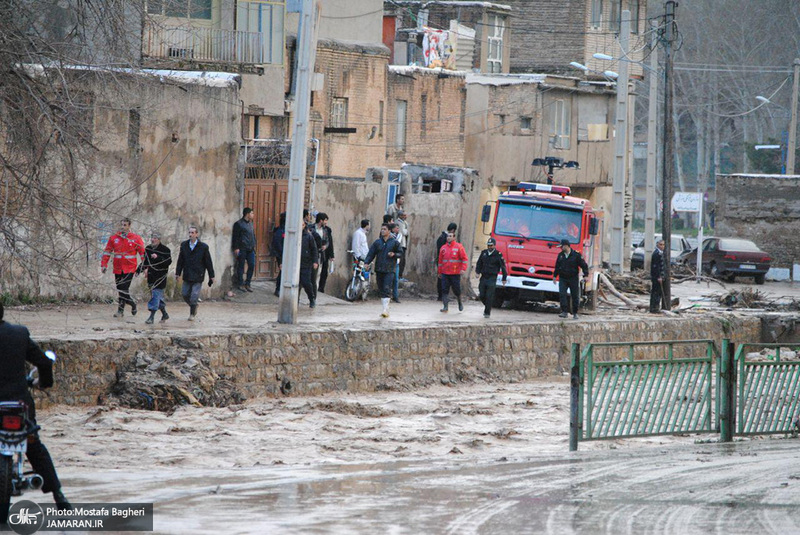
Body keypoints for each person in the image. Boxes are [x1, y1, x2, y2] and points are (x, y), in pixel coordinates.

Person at [0, 303, 70, 510]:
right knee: (34, 445)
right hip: (20, 402)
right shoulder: (19, 334)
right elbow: (44, 363)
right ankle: (59, 496)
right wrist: (45, 383)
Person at [101, 217, 145, 318]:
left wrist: (144, 267)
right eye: (121, 225)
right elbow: (107, 251)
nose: (122, 227)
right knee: (119, 288)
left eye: (125, 225)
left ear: (129, 226)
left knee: (124, 289)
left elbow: (143, 253)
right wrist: (104, 264)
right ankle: (131, 304)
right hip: (117, 267)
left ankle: (121, 310)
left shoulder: (135, 238)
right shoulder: (114, 238)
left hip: (129, 268)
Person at [175, 226, 215, 321]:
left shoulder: (203, 247)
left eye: (193, 233)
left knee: (194, 295)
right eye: (189, 232)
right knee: (185, 294)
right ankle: (194, 306)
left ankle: (192, 314)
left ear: (197, 234)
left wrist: (211, 275)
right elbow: (180, 260)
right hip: (187, 273)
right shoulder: (184, 245)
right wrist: (178, 272)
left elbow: (208, 262)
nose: (190, 234)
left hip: (198, 274)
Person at [364, 223, 403, 318]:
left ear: (389, 231)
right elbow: (371, 253)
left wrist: (394, 254)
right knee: (381, 288)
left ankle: (385, 310)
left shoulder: (394, 242)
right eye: (382, 229)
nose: (382, 231)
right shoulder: (378, 242)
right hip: (379, 269)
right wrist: (366, 263)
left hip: (390, 269)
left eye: (384, 229)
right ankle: (385, 307)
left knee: (386, 288)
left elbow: (400, 253)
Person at [137, 232, 172, 324]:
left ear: (159, 239)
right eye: (152, 238)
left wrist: (158, 257)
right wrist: (139, 270)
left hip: (160, 277)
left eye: (155, 238)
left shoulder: (165, 250)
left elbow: (168, 262)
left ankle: (151, 317)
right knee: (157, 297)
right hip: (151, 276)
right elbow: (146, 261)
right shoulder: (148, 248)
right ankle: (164, 314)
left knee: (155, 296)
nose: (153, 240)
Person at [554, 239, 589, 319]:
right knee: (562, 294)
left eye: (562, 246)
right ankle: (564, 311)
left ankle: (575, 313)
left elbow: (583, 265)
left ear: (566, 246)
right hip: (563, 278)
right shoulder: (560, 255)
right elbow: (557, 266)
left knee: (575, 295)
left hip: (573, 278)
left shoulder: (576, 255)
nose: (561, 248)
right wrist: (555, 276)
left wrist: (586, 275)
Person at [475, 237, 508, 318]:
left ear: (494, 246)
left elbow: (503, 267)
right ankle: (488, 305)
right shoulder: (484, 253)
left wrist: (504, 278)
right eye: (488, 245)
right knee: (482, 294)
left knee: (489, 295)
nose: (489, 247)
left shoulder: (498, 255)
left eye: (491, 245)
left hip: (492, 278)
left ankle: (487, 312)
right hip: (484, 276)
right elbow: (479, 263)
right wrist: (477, 272)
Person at [437, 230, 468, 313]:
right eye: (448, 236)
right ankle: (445, 307)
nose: (448, 238)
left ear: (454, 237)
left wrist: (463, 269)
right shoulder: (443, 248)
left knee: (456, 290)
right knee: (444, 289)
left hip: (455, 273)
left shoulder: (459, 247)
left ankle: (460, 302)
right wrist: (439, 272)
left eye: (450, 236)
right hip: (445, 273)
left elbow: (464, 259)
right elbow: (440, 261)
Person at [232, 207, 256, 292]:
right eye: (252, 213)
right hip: (242, 248)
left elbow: (252, 235)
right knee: (241, 266)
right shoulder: (238, 224)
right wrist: (236, 248)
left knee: (252, 265)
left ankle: (248, 283)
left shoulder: (250, 223)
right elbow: (235, 237)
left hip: (250, 248)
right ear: (247, 214)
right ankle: (240, 283)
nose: (253, 215)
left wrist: (254, 245)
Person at [436, 223, 457, 301]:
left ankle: (441, 296)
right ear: (453, 230)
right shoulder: (445, 238)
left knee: (442, 279)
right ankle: (442, 296)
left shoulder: (441, 237)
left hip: (442, 261)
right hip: (444, 262)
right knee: (444, 280)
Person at [315, 212, 334, 294]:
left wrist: (331, 254)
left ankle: (320, 288)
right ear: (320, 220)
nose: (326, 222)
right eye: (325, 220)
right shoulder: (311, 228)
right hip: (313, 253)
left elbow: (329, 242)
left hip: (324, 254)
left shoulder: (327, 230)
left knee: (323, 272)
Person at [300, 222, 319, 308]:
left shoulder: (308, 236)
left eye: (302, 225)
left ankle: (311, 299)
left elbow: (314, 250)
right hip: (295, 264)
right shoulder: (292, 235)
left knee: (306, 282)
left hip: (306, 263)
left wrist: (315, 261)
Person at [271, 212, 286, 297]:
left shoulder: (287, 229)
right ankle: (278, 289)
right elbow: (277, 245)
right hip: (281, 255)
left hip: (287, 255)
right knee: (282, 272)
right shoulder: (280, 230)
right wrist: (281, 259)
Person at [650, 239, 667, 313]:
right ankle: (654, 308)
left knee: (658, 293)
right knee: (656, 292)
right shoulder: (656, 254)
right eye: (660, 244)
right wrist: (659, 277)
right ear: (657, 245)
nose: (662, 246)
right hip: (656, 277)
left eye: (663, 245)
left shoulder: (661, 253)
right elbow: (656, 267)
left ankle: (655, 307)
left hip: (659, 277)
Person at [396, 210, 409, 280]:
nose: (405, 217)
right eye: (404, 215)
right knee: (401, 260)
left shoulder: (404, 223)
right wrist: (406, 231)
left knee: (403, 261)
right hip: (401, 244)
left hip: (404, 244)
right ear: (400, 216)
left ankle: (400, 275)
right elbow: (403, 232)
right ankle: (399, 276)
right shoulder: (399, 222)